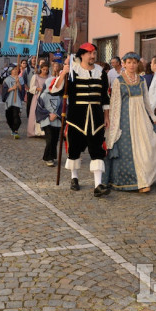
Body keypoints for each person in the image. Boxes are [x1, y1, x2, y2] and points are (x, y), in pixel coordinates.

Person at [54, 43, 111, 197]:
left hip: (96, 116)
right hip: (76, 116)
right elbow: (55, 90)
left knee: (97, 149)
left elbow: (105, 97)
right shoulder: (73, 71)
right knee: (74, 148)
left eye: (94, 53)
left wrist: (106, 116)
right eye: (90, 53)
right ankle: (74, 177)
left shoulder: (101, 72)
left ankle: (98, 184)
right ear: (82, 55)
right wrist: (63, 74)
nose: (93, 56)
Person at [104, 52, 156, 193]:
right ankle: (133, 182)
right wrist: (113, 122)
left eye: (134, 62)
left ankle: (145, 179)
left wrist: (152, 116)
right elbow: (115, 103)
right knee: (128, 150)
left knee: (147, 146)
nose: (132, 65)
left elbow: (147, 100)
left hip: (141, 118)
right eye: (129, 62)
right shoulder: (118, 81)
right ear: (124, 64)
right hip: (125, 119)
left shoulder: (142, 80)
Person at [37, 63, 63, 166]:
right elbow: (39, 109)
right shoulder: (43, 96)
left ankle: (50, 156)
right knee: (50, 138)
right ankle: (49, 158)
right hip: (47, 120)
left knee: (55, 140)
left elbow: (61, 107)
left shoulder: (59, 96)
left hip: (56, 121)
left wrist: (56, 114)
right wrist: (49, 115)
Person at [1, 65, 25, 139]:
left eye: (16, 69)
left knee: (16, 116)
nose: (15, 71)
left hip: (17, 100)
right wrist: (12, 88)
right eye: (13, 69)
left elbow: (22, 90)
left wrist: (18, 84)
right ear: (11, 71)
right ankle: (12, 129)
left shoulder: (20, 79)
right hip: (9, 100)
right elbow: (4, 91)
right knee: (9, 116)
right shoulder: (7, 80)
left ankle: (15, 130)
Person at [27, 64, 50, 137]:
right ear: (41, 69)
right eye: (44, 70)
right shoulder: (35, 76)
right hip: (38, 97)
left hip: (46, 97)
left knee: (45, 114)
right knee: (36, 113)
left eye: (46, 70)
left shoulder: (49, 77)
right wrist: (37, 88)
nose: (45, 71)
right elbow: (31, 88)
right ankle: (35, 131)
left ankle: (43, 131)